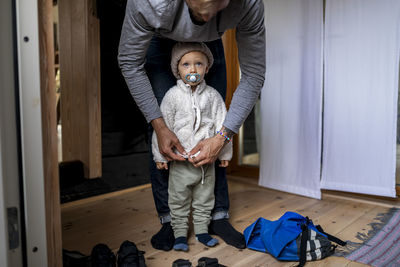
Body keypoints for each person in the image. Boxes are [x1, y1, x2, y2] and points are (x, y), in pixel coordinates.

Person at [118, 0, 266, 251]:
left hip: (210, 45)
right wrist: (160, 126)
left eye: (215, 11)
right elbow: (130, 63)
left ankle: (217, 214)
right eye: (200, 12)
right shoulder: (148, 3)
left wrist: (221, 138)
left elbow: (253, 74)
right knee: (163, 122)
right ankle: (169, 219)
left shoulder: (248, 4)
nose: (206, 19)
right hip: (159, 37)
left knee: (213, 123)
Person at [152, 42, 233, 251]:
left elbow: (222, 123)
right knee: (178, 200)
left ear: (207, 68)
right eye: (186, 64)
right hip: (180, 162)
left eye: (199, 64)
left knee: (205, 199)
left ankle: (202, 231)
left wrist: (225, 152)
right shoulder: (172, 96)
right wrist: (160, 157)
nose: (193, 69)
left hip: (206, 162)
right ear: (177, 69)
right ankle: (179, 234)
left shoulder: (213, 96)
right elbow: (162, 129)